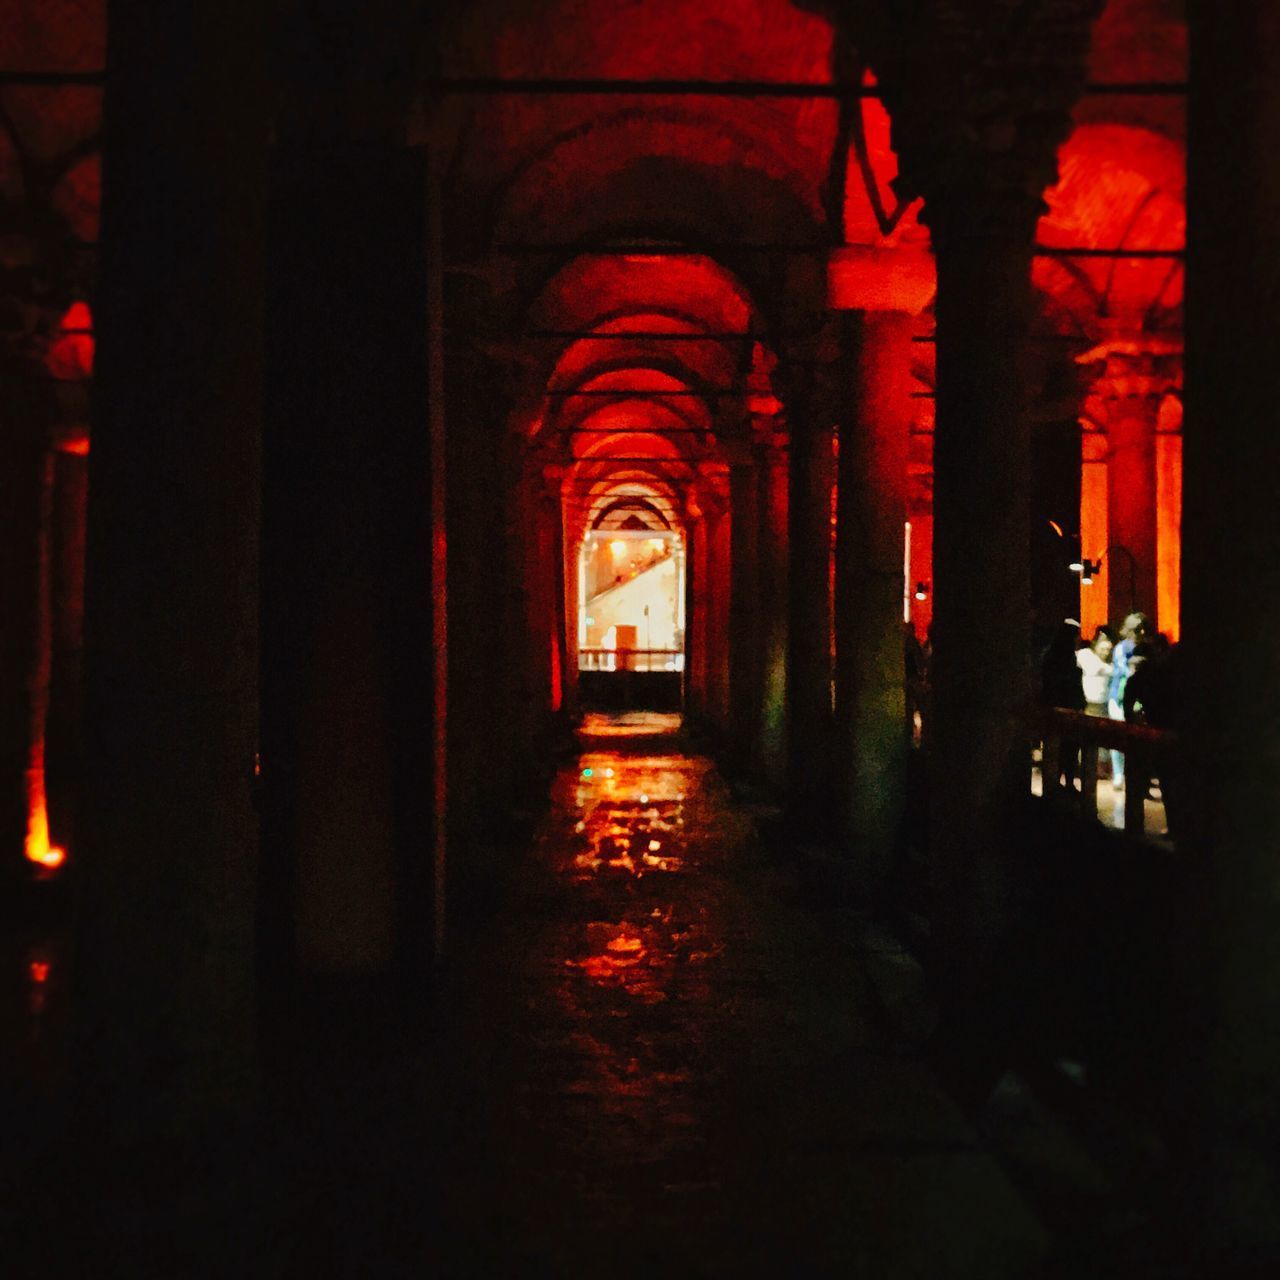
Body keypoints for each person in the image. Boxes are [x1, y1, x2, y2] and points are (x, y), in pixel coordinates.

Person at [1107, 611, 1150, 789]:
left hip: (1141, 698)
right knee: (1118, 737)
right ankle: (1118, 774)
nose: (1141, 633)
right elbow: (1123, 671)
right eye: (1137, 629)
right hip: (1119, 697)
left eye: (1143, 629)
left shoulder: (1147, 647)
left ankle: (1139, 778)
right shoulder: (1121, 648)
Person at [1077, 627, 1114, 717]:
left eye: (1108, 650)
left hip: (1107, 705)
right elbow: (1094, 669)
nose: (1106, 653)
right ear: (1095, 644)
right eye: (1102, 649)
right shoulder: (1085, 654)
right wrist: (1112, 670)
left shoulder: (1111, 662)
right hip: (1091, 706)